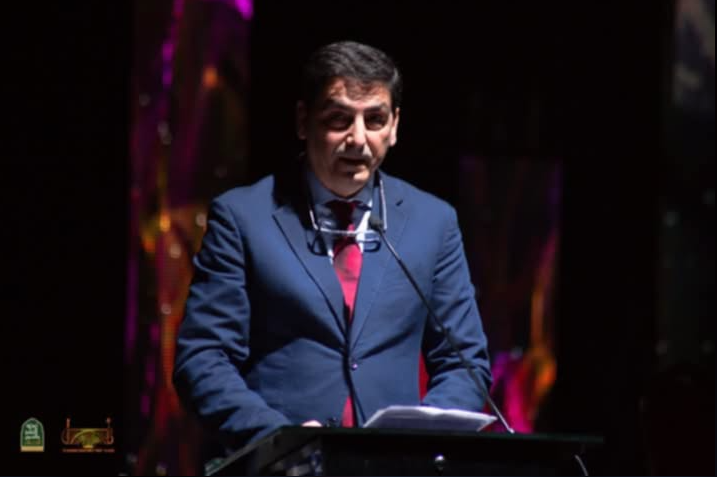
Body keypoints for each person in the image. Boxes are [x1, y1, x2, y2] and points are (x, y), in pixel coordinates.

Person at [173, 40, 492, 451]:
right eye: (339, 119)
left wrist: (415, 444)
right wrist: (278, 439)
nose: (358, 139)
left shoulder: (434, 223)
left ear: (394, 126)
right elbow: (202, 360)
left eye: (374, 120)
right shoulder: (242, 218)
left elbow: (465, 365)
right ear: (303, 121)